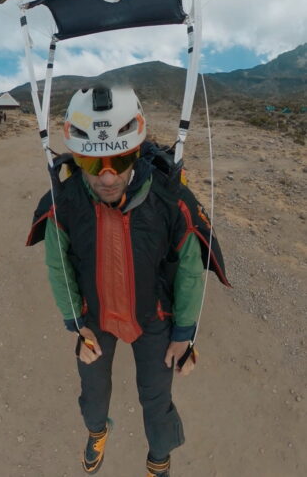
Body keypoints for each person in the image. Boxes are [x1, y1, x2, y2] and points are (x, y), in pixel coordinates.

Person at [26, 86, 229, 477]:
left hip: (153, 316)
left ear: (136, 148)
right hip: (94, 315)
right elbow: (58, 265)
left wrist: (184, 332)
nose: (107, 177)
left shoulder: (171, 199)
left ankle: (160, 453)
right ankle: (96, 429)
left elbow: (189, 268)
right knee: (94, 388)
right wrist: (75, 323)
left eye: (120, 159)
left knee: (157, 395)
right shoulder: (63, 201)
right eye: (90, 160)